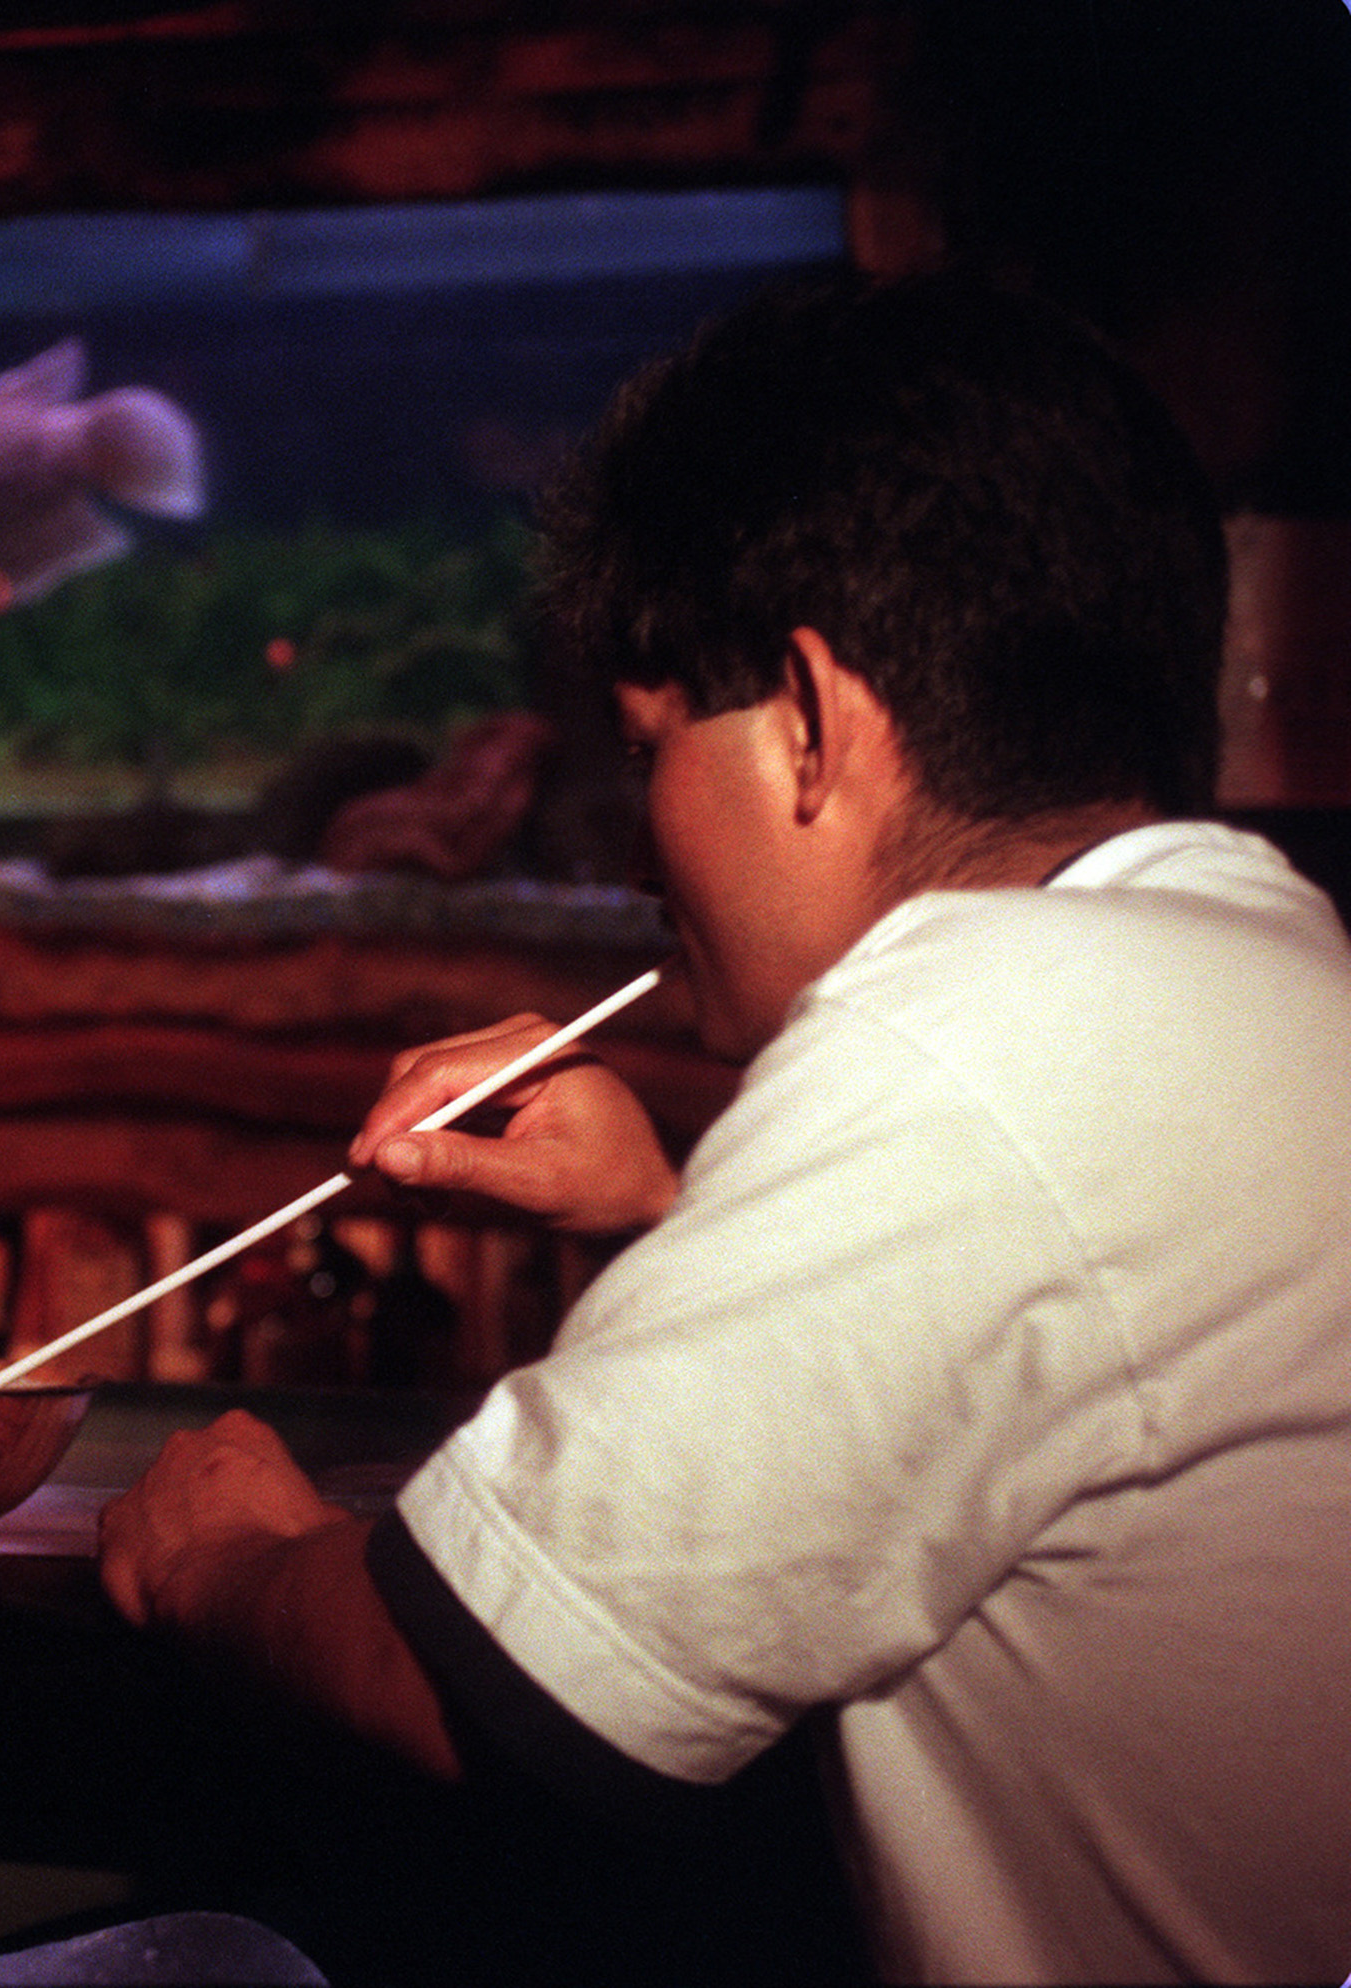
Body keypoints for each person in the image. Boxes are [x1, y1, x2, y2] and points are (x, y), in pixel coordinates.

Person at [98, 270, 1351, 1986]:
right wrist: (673, 1221)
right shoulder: (1251, 959)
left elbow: (456, 1685)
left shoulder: (976, 1031)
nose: (634, 842)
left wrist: (222, 1557)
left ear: (815, 726)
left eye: (646, 746)